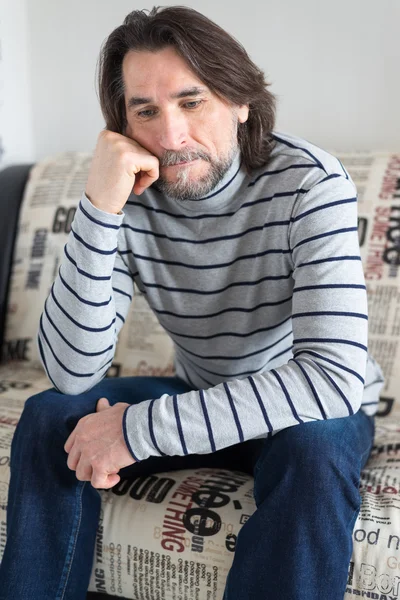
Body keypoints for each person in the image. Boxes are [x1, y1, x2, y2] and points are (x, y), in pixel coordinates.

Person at [0, 6, 385, 600]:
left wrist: (138, 430)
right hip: (203, 394)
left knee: (313, 452)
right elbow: (73, 374)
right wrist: (100, 206)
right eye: (145, 110)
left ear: (240, 101)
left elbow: (330, 378)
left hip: (308, 414)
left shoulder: (310, 183)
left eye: (192, 100)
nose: (172, 136)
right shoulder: (127, 194)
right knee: (52, 417)